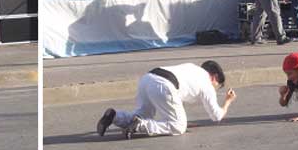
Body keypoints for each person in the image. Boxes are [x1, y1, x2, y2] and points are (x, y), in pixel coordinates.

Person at [96, 61, 236, 138]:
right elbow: (216, 116)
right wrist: (228, 101)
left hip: (148, 78)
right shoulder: (207, 83)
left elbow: (179, 97)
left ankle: (115, 116)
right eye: (218, 85)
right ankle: (139, 126)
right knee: (179, 126)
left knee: (144, 113)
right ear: (214, 77)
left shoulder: (191, 67)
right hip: (165, 85)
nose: (215, 88)